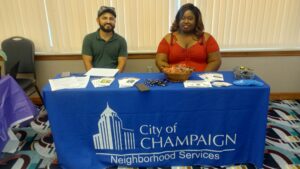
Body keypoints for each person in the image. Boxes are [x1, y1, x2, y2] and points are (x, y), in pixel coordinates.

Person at [156, 3, 221, 72]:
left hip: (201, 80)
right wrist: (171, 72)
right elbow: (160, 61)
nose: (186, 21)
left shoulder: (207, 38)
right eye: (183, 18)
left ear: (196, 21)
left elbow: (215, 61)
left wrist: (204, 76)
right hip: (174, 78)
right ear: (178, 20)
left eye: (190, 19)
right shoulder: (168, 39)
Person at [82, 6, 128, 72]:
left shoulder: (121, 41)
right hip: (94, 76)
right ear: (98, 20)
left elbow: (121, 64)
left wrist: (112, 78)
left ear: (115, 21)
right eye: (104, 18)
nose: (108, 21)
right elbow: (87, 64)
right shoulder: (88, 39)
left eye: (111, 18)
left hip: (115, 77)